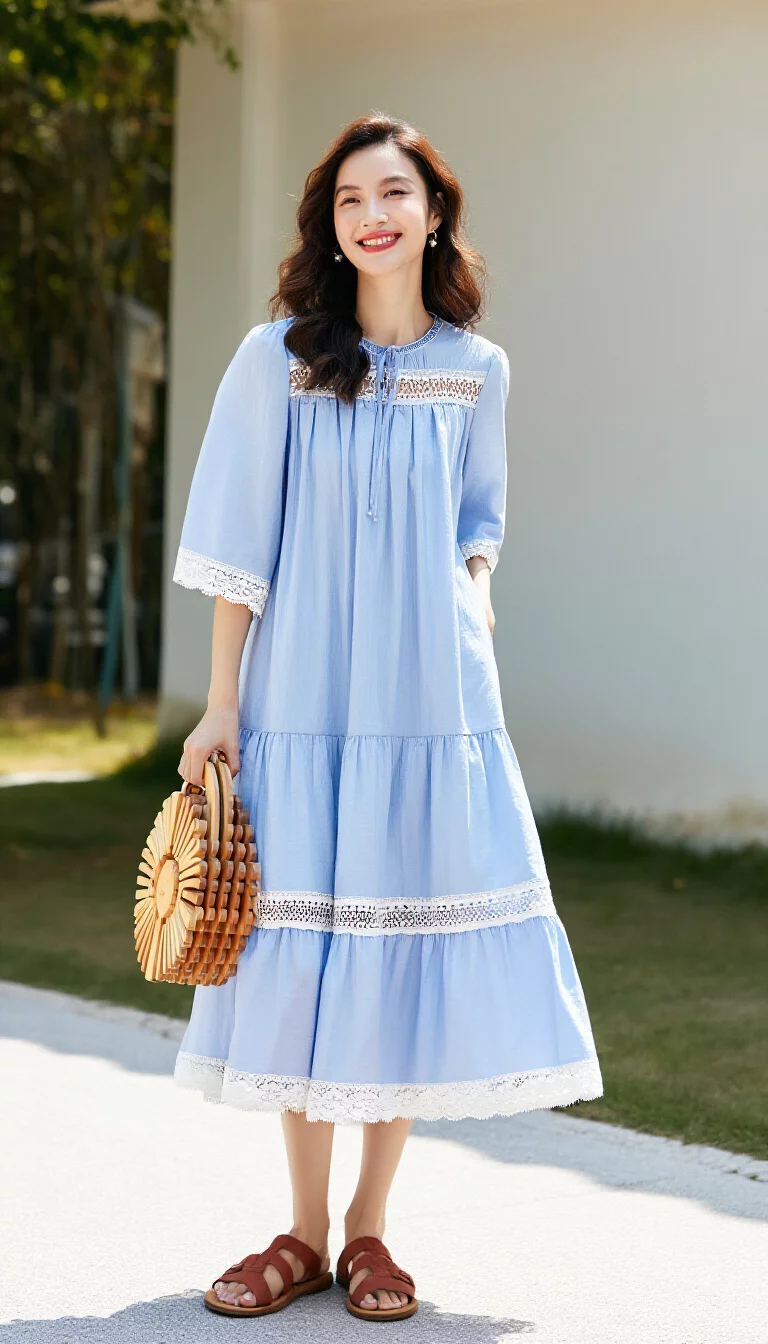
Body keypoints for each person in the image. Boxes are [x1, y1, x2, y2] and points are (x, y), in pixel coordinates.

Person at [173, 113, 602, 1323]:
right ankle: (299, 1231)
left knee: (397, 939)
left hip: (433, 706)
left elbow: (482, 526)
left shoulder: (481, 369)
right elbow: (237, 550)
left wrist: (476, 610)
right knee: (303, 950)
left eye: (397, 191)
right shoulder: (277, 362)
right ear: (332, 222)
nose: (375, 212)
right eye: (353, 195)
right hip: (302, 705)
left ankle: (370, 1231)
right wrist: (221, 709)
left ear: (432, 213)